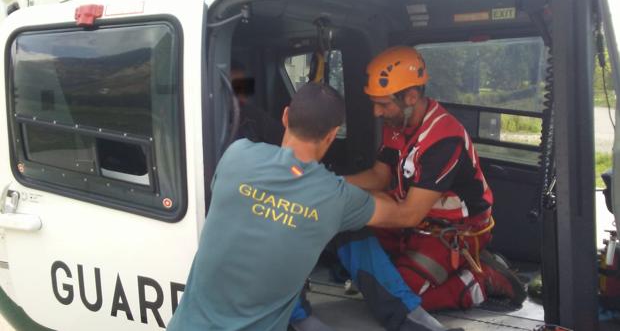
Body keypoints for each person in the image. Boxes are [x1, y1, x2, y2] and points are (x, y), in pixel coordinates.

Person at [166, 83, 460, 331]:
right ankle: (410, 319)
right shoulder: (335, 197)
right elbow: (403, 215)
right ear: (333, 135)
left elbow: (257, 208)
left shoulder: (236, 155)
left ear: (285, 117)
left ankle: (303, 316)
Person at [342, 46, 526, 312]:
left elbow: (408, 215)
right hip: (417, 217)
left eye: (383, 104)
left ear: (411, 97)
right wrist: (333, 184)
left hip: (454, 229)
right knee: (350, 238)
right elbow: (379, 177)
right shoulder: (398, 125)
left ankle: (481, 279)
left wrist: (350, 205)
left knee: (400, 299)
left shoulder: (443, 138)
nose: (376, 113)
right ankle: (417, 267)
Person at [231, 60, 284, 145]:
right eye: (237, 86)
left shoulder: (253, 115)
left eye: (244, 83)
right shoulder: (215, 123)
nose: (243, 90)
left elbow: (280, 135)